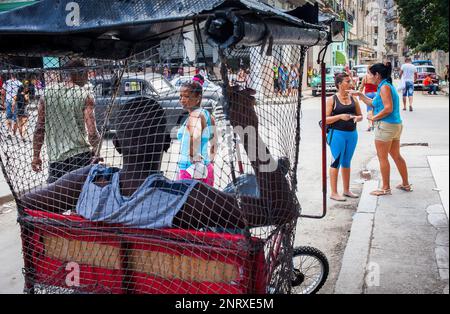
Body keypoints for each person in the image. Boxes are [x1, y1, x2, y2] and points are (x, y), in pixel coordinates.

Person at [20, 91, 298, 230]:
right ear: (166, 144)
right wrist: (249, 132)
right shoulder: (187, 200)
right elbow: (282, 210)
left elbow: (26, 205)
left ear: (116, 145)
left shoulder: (85, 182)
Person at [32, 59, 101, 183]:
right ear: (78, 74)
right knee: (81, 197)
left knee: (59, 199)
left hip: (56, 161)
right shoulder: (85, 95)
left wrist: (36, 156)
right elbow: (92, 132)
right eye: (86, 74)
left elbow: (39, 129)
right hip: (80, 157)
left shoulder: (47, 94)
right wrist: (97, 151)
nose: (87, 78)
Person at [350, 63, 412, 196]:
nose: (368, 76)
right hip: (394, 125)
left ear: (377, 75)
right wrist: (360, 95)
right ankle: (406, 184)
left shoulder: (384, 87)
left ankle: (385, 188)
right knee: (396, 155)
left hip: (385, 126)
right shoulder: (385, 86)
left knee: (382, 158)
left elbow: (388, 108)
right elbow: (373, 103)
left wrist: (373, 118)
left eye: (370, 74)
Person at [325, 73, 363, 202]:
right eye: (347, 81)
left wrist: (358, 118)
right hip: (337, 134)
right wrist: (340, 117)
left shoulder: (354, 99)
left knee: (347, 161)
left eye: (350, 81)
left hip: (352, 134)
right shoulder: (332, 100)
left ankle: (346, 190)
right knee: (336, 161)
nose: (351, 84)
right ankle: (334, 192)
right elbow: (325, 120)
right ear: (339, 84)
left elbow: (361, 115)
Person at [177, 79, 216, 187]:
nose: (182, 99)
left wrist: (193, 157)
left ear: (198, 98)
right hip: (206, 169)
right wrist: (209, 163)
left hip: (190, 171)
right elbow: (214, 143)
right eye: (181, 96)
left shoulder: (195, 116)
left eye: (187, 96)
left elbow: (195, 138)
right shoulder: (208, 116)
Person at [2, 73, 23, 137]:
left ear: (11, 75)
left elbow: (3, 92)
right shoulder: (19, 83)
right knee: (15, 118)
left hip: (8, 101)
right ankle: (13, 133)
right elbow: (21, 93)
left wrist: (3, 102)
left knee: (9, 117)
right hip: (15, 101)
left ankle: (9, 132)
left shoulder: (7, 82)